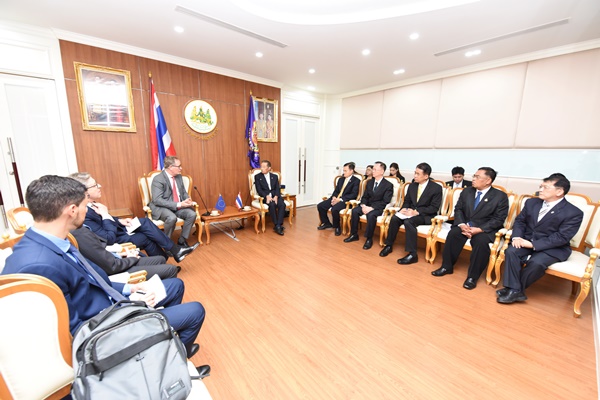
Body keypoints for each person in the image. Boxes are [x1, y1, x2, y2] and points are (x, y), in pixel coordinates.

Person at [2, 175, 209, 372]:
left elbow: (89, 282)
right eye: (85, 206)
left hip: (109, 304)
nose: (87, 211)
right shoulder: (38, 266)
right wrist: (130, 308)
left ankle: (165, 349)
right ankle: (171, 369)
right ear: (72, 210)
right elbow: (75, 334)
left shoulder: (54, 240)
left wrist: (130, 288)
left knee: (175, 286)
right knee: (195, 311)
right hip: (105, 329)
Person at [496, 173, 583, 304]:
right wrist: (517, 237)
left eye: (545, 187)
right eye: (540, 186)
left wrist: (533, 245)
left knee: (537, 262)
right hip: (525, 240)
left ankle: (513, 290)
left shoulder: (573, 212)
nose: (540, 190)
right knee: (511, 251)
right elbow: (520, 221)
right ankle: (514, 290)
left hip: (553, 247)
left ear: (559, 191)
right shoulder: (532, 202)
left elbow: (562, 237)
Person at [70, 172, 194, 263]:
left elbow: (105, 218)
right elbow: (108, 238)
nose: (99, 186)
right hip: (116, 238)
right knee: (146, 237)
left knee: (145, 222)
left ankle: (172, 255)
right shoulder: (83, 213)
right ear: (84, 191)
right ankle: (171, 256)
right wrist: (106, 215)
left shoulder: (91, 204)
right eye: (95, 185)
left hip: (118, 228)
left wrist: (120, 220)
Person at [431, 167, 509, 289]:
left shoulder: (500, 196)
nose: (473, 179)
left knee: (480, 242)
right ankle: (446, 267)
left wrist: (479, 229)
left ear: (488, 180)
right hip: (465, 225)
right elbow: (458, 209)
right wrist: (462, 224)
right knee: (453, 234)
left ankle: (472, 277)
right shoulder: (467, 191)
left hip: (484, 229)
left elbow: (498, 219)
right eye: (474, 176)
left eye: (477, 177)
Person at [380, 163, 442, 264]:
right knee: (394, 218)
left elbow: (434, 207)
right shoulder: (412, 186)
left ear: (426, 176)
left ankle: (413, 254)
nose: (415, 176)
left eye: (418, 174)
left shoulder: (436, 188)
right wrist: (404, 209)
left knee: (409, 222)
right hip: (410, 212)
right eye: (415, 173)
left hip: (425, 215)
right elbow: (407, 201)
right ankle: (389, 245)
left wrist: (417, 212)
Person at [71, 225, 180, 280]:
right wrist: (131, 258)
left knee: (160, 259)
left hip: (114, 258)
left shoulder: (78, 229)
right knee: (170, 270)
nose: (86, 209)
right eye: (84, 206)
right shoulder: (80, 233)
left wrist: (120, 254)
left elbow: (99, 252)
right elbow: (112, 265)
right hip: (116, 270)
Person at [149, 156, 198, 247]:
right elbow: (157, 200)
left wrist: (187, 199)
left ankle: (182, 240)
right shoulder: (158, 179)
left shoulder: (178, 177)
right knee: (172, 218)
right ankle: (166, 243)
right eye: (179, 166)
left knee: (192, 214)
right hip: (162, 207)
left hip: (177, 206)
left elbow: (183, 192)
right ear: (171, 167)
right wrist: (179, 204)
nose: (181, 168)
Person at [344, 161, 393, 250]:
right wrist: (363, 205)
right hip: (366, 206)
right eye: (373, 169)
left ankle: (369, 239)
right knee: (355, 211)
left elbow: (385, 201)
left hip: (378, 208)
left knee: (371, 215)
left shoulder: (388, 185)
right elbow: (365, 196)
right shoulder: (370, 182)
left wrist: (371, 208)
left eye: (375, 169)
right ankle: (354, 234)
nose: (372, 171)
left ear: (382, 172)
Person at [317, 162, 360, 236]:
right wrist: (334, 197)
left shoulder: (356, 181)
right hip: (336, 198)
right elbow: (336, 191)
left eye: (345, 171)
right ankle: (326, 223)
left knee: (335, 209)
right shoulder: (341, 179)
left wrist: (340, 200)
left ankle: (337, 227)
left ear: (351, 171)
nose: (344, 172)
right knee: (320, 206)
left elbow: (354, 194)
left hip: (345, 201)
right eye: (343, 170)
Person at [255, 160, 286, 235]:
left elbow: (277, 188)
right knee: (272, 205)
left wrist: (276, 196)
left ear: (269, 168)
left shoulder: (275, 176)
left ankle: (278, 225)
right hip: (265, 197)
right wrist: (266, 196)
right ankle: (277, 225)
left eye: (264, 167)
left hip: (275, 195)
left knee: (282, 204)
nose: (261, 168)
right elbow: (259, 190)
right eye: (261, 167)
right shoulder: (258, 177)